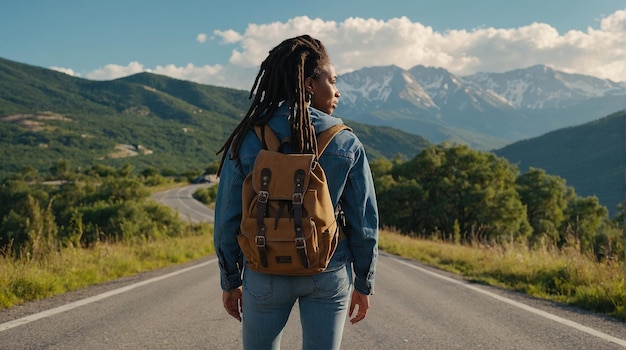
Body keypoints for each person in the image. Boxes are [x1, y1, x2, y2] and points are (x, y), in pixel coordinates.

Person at [213, 34, 379, 350]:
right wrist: (364, 283)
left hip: (264, 269)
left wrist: (231, 281)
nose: (337, 91)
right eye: (332, 81)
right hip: (326, 269)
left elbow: (226, 219)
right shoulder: (345, 142)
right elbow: (364, 223)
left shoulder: (248, 137)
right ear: (309, 84)